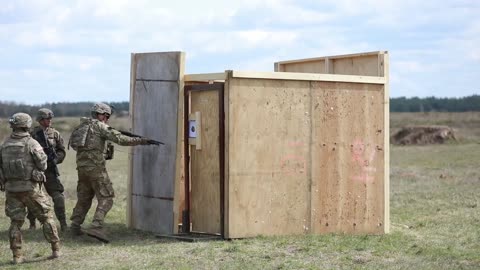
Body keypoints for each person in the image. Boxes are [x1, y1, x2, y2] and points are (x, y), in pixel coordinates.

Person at [69, 102, 155, 243]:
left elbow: (74, 145)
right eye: (106, 116)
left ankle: (74, 226)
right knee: (107, 198)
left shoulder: (81, 127)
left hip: (82, 169)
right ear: (100, 114)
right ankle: (96, 226)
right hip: (96, 169)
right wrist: (141, 141)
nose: (107, 119)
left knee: (84, 198)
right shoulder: (100, 126)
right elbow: (120, 139)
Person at [0, 113, 60, 264]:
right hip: (30, 188)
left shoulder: (4, 144)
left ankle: (17, 256)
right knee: (46, 217)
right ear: (27, 125)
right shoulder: (32, 143)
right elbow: (43, 165)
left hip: (12, 189)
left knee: (15, 222)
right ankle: (56, 250)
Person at [27, 108, 67, 232]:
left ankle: (63, 223)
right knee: (32, 197)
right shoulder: (32, 134)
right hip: (35, 170)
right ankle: (32, 224)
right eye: (46, 119)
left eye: (50, 118)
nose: (49, 121)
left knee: (58, 196)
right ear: (40, 120)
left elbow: (61, 150)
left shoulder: (55, 134)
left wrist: (56, 159)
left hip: (50, 170)